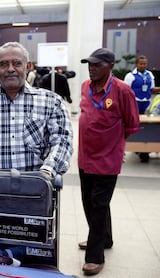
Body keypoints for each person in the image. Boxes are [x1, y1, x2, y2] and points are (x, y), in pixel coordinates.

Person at [0, 42, 73, 261]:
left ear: (28, 66)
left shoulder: (50, 102)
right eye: (4, 64)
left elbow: (63, 142)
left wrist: (46, 173)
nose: (10, 68)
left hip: (34, 197)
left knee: (32, 258)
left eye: (17, 63)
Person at [78, 48, 141, 275]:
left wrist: (113, 144)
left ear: (110, 66)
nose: (91, 68)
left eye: (96, 65)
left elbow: (132, 125)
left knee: (98, 205)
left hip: (107, 160)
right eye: (89, 64)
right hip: (85, 157)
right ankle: (105, 238)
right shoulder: (86, 86)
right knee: (89, 202)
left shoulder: (123, 91)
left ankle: (95, 256)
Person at [124, 55, 160, 162]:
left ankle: (143, 148)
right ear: (136, 64)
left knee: (146, 124)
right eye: (141, 64)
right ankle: (131, 145)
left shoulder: (149, 75)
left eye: (145, 63)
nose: (143, 65)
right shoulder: (130, 76)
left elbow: (152, 89)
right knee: (133, 123)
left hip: (146, 103)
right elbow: (125, 90)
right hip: (135, 102)